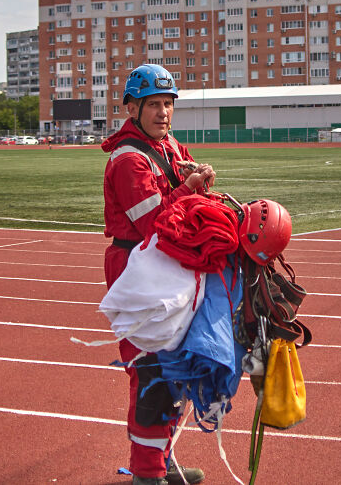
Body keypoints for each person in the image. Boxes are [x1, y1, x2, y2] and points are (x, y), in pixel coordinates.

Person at [101, 64, 214, 485]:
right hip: (137, 266)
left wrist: (196, 180)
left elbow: (177, 203)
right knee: (149, 371)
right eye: (153, 104)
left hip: (163, 262)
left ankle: (161, 462)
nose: (163, 112)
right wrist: (189, 188)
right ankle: (147, 475)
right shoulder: (129, 160)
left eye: (168, 104)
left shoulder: (167, 146)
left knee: (175, 367)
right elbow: (154, 223)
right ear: (132, 109)